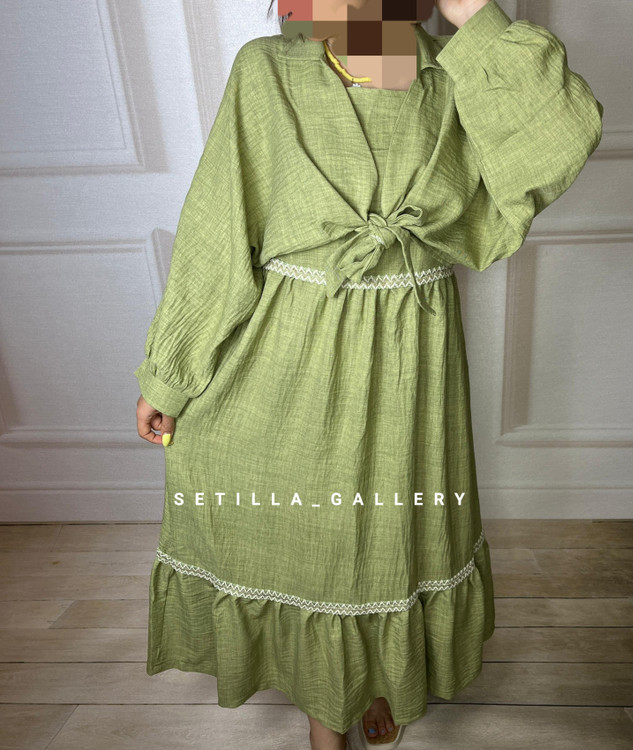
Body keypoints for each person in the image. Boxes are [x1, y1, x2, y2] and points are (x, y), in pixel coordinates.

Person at [134, 1, 604, 749]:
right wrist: (172, 372)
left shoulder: (463, 79)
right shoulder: (266, 72)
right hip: (286, 348)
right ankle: (331, 714)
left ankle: (375, 675)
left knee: (386, 530)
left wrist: (470, 11)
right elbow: (217, 232)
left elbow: (561, 134)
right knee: (316, 534)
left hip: (411, 354)